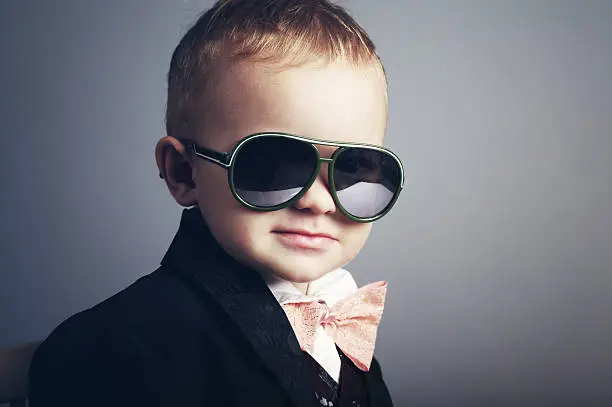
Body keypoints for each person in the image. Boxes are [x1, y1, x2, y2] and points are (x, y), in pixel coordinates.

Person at [28, 0, 405, 406]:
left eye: (355, 169)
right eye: (273, 164)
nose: (319, 201)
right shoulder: (105, 351)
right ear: (183, 173)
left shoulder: (347, 340)